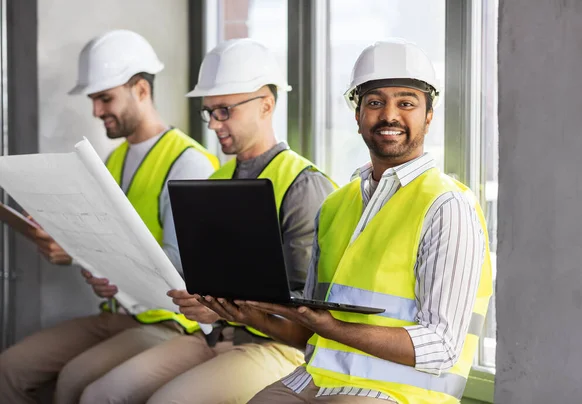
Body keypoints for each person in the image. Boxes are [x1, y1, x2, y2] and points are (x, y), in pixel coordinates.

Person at [194, 38, 493, 404]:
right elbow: (312, 333)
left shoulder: (447, 205)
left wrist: (334, 327)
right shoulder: (337, 204)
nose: (390, 115)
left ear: (428, 116)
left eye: (406, 103)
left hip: (399, 393)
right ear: (358, 116)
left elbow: (442, 347)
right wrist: (249, 316)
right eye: (375, 102)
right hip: (317, 380)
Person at [73, 38, 336, 404]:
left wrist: (226, 306)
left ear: (266, 104)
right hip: (213, 335)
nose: (213, 124)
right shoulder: (215, 181)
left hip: (276, 348)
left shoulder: (304, 186)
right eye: (209, 112)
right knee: (102, 394)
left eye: (224, 111)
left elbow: (305, 314)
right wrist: (199, 299)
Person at [0, 29, 219, 404]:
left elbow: (187, 270)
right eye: (94, 100)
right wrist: (72, 249)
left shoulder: (189, 164)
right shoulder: (112, 161)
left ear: (141, 90)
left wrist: (116, 274)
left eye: (104, 98)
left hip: (169, 323)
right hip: (118, 313)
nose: (96, 111)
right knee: (9, 367)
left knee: (75, 382)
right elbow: (106, 240)